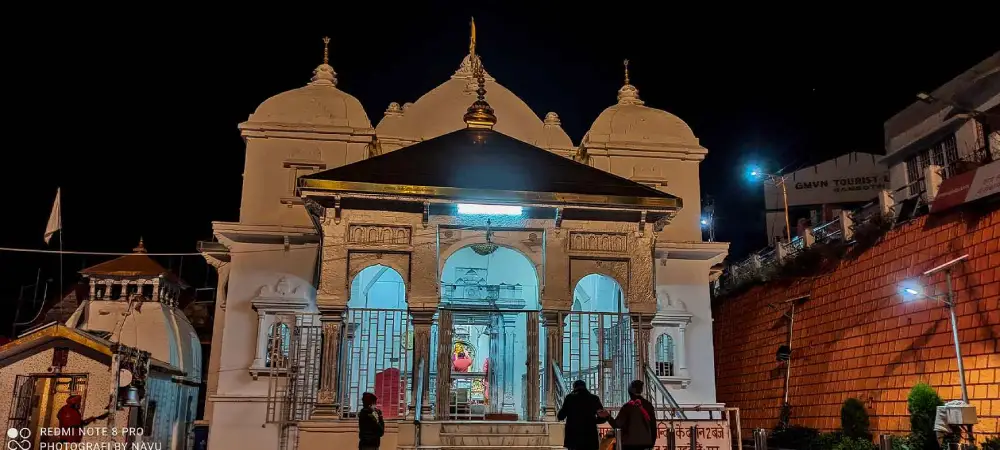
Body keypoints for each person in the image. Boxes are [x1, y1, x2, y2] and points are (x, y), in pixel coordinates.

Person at [557, 380, 610, 450]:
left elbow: (560, 416)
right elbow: (603, 418)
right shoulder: (594, 398)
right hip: (590, 437)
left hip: (574, 438)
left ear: (574, 388)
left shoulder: (570, 398)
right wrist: (593, 420)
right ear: (585, 387)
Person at [615, 380, 657, 450]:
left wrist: (608, 417)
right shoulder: (648, 405)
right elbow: (653, 426)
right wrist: (651, 443)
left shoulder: (627, 407)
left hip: (629, 445)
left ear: (630, 391)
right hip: (646, 444)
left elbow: (618, 424)